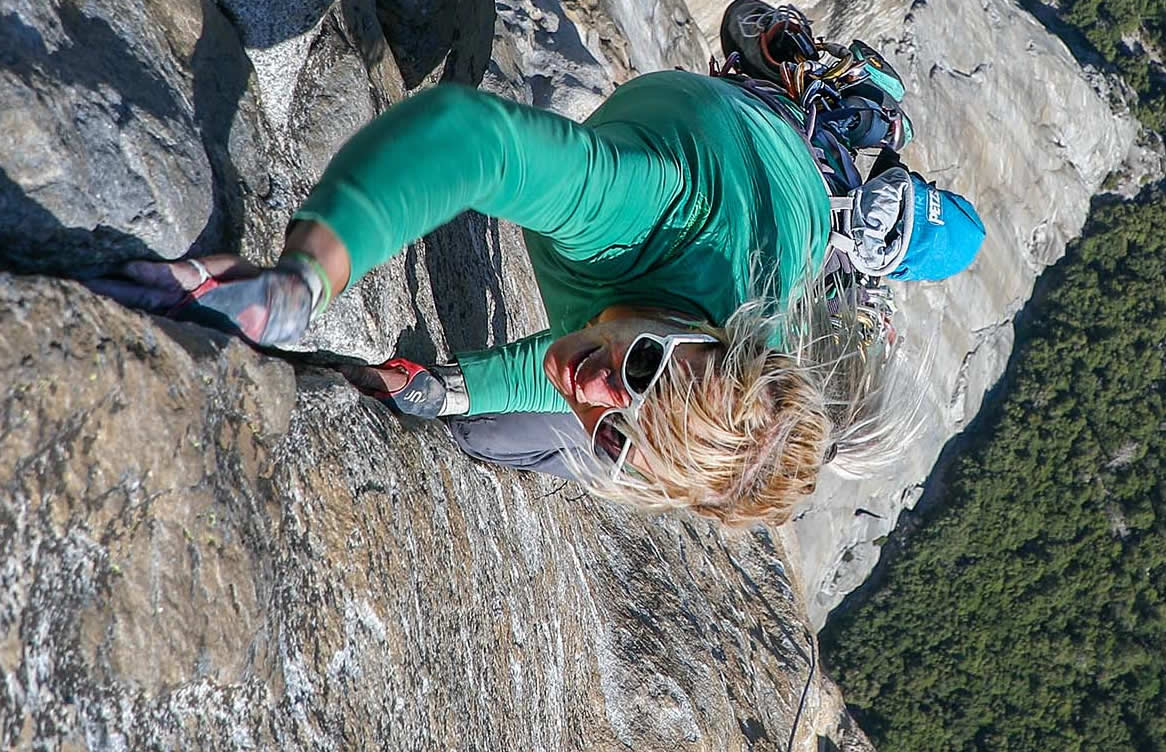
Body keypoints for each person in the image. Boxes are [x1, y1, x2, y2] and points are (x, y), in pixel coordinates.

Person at [88, 2, 964, 526]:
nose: (595, 389)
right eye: (646, 365)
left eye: (621, 435)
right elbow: (475, 139)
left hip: (791, 238)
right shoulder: (650, 211)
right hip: (750, 134)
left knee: (483, 433)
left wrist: (451, 388)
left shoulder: (715, 394)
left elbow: (613, 387)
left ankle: (853, 218)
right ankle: (832, 116)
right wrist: (305, 277)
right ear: (705, 329)